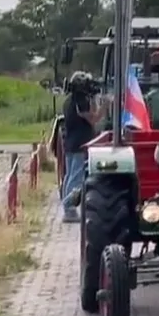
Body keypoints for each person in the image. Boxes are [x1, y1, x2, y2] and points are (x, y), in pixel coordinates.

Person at [60, 71, 98, 223]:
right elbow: (94, 119)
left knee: (70, 176)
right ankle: (68, 207)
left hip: (71, 143)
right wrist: (105, 105)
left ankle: (68, 208)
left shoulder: (69, 100)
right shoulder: (80, 101)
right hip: (80, 144)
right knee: (76, 177)